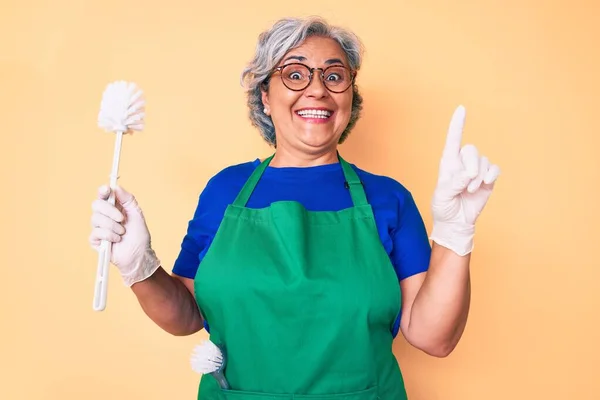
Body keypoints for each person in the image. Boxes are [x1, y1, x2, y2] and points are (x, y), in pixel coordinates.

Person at [89, 16, 500, 400]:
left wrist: (454, 232)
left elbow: (434, 337)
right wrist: (139, 266)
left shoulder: (388, 198)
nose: (318, 89)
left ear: (349, 97)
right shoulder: (226, 190)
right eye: (295, 74)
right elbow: (186, 315)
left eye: (334, 76)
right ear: (265, 96)